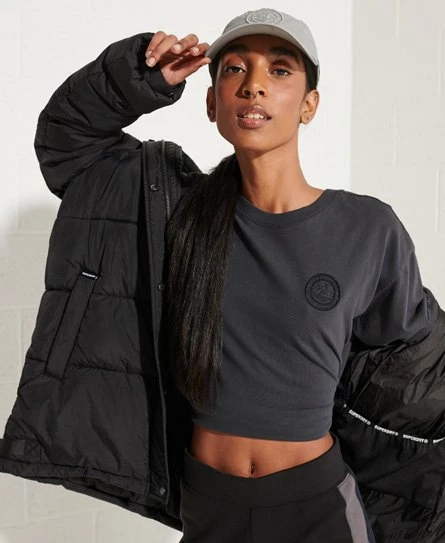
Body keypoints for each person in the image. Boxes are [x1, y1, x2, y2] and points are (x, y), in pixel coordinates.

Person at [0, 7, 442, 543]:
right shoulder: (176, 215)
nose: (254, 85)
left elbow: (408, 371)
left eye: (280, 70)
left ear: (309, 105)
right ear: (212, 103)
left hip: (316, 505)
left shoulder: (367, 228)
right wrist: (137, 77)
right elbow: (66, 143)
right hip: (209, 502)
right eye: (234, 69)